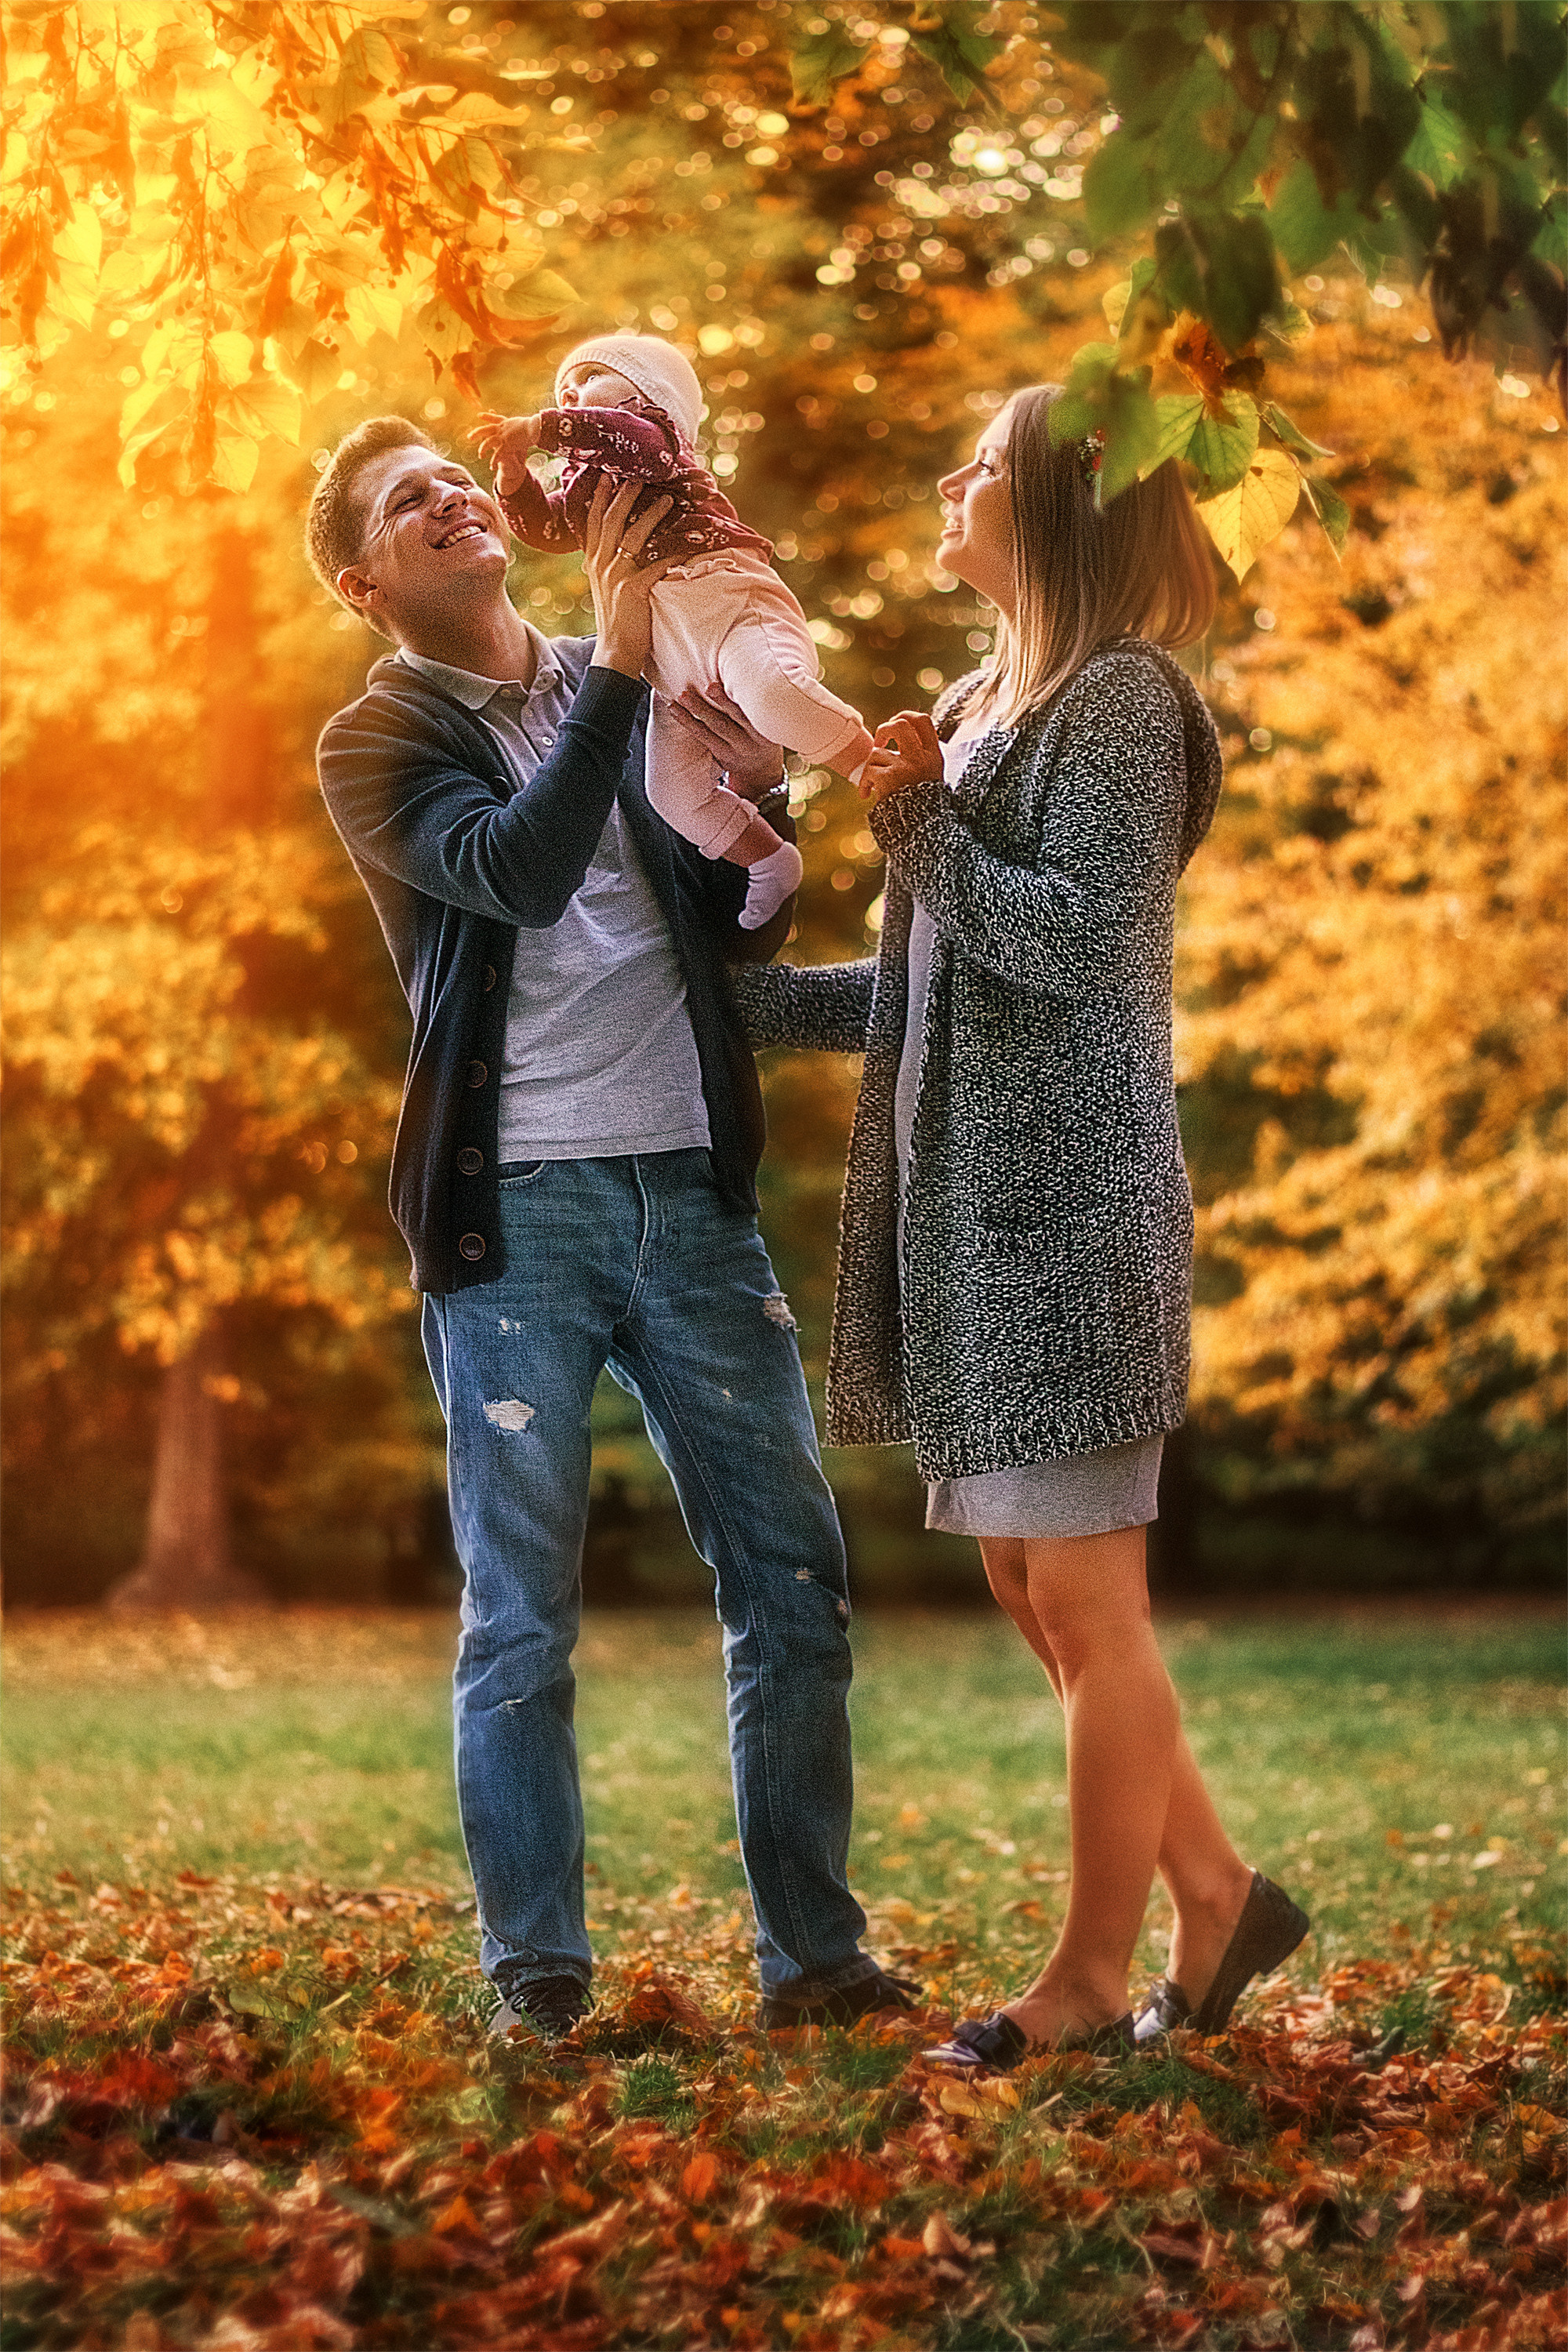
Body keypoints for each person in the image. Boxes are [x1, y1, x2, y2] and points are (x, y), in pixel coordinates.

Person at [306, 415, 914, 2042]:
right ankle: (541, 1984)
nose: (452, 497)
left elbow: (714, 930)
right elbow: (516, 871)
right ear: (367, 583)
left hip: (692, 1198)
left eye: (454, 477)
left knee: (794, 1580)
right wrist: (627, 673)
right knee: (522, 1616)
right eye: (406, 503)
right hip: (518, 1214)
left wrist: (758, 815)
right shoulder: (378, 741)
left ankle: (816, 1965)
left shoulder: (619, 680)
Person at [733, 386, 1310, 2063]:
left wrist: (913, 819)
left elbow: (1067, 942)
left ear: (1058, 507)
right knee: (1026, 1581)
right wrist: (729, 1003)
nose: (948, 475)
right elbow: (929, 987)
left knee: (1087, 1598)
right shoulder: (986, 706)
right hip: (974, 1226)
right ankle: (1219, 1897)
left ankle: (1085, 1982)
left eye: (978, 463)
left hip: (1071, 1216)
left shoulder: (1121, 702)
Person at [471, 334, 875, 932]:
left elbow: (629, 441)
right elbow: (549, 530)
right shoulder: (585, 483)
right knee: (671, 792)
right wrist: (513, 478)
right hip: (670, 662)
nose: (571, 395)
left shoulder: (656, 440)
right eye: (564, 392)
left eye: (588, 380)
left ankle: (873, 766)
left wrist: (543, 427)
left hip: (727, 602)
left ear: (649, 395)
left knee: (774, 695)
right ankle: (767, 859)